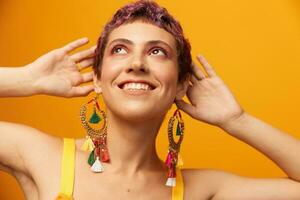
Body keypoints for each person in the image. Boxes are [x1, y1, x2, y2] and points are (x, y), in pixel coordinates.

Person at [1, 0, 300, 199]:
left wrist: (237, 121)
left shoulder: (202, 190)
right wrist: (25, 80)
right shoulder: (39, 156)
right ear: (97, 78)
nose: (137, 63)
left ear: (182, 84)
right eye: (120, 49)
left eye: (157, 51)